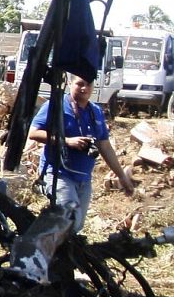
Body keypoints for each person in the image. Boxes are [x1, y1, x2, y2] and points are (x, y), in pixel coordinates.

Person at [27, 73, 135, 235]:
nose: (85, 88)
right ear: (70, 84)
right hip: (59, 174)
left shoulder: (95, 112)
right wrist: (67, 141)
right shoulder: (56, 106)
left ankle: (60, 256)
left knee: (76, 226)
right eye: (80, 84)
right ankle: (39, 249)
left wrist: (121, 176)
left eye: (89, 84)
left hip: (84, 178)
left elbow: (104, 146)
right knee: (69, 218)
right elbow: (34, 133)